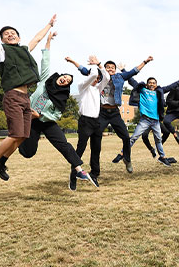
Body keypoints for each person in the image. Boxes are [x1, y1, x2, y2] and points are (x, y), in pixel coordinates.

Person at [18, 32, 90, 190]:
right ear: (60, 76)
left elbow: (56, 115)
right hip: (31, 121)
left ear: (66, 86)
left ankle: (78, 170)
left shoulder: (62, 98)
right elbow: (46, 61)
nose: (65, 79)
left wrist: (41, 115)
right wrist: (49, 41)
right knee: (28, 152)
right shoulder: (44, 81)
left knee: (64, 144)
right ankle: (17, 141)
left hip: (47, 122)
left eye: (68, 81)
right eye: (65, 76)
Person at [0, 14, 56, 183]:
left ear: (19, 37)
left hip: (25, 98)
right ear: (2, 40)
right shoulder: (2, 52)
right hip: (13, 96)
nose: (9, 34)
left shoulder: (24, 50)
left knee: (23, 136)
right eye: (5, 34)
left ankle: (1, 164)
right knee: (15, 134)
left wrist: (49, 24)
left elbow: (37, 39)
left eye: (12, 32)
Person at [113, 73, 179, 168]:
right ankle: (122, 154)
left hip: (156, 121)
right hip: (144, 120)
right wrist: (124, 70)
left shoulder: (159, 91)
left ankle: (162, 157)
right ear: (147, 84)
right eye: (150, 83)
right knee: (134, 137)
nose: (152, 84)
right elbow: (132, 80)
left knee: (158, 139)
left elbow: (171, 86)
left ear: (156, 84)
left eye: (153, 83)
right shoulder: (142, 90)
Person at [98, 56, 153, 173]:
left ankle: (127, 160)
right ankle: (95, 166)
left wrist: (145, 61)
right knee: (96, 137)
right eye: (108, 68)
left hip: (114, 113)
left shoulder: (120, 76)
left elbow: (134, 71)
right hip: (101, 112)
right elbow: (85, 73)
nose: (110, 69)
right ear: (104, 69)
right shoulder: (99, 77)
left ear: (115, 70)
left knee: (126, 138)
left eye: (112, 68)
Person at [65, 55, 110, 189]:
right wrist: (93, 66)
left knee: (96, 149)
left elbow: (106, 77)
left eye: (97, 79)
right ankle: (73, 176)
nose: (96, 80)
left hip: (96, 122)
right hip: (85, 122)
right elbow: (93, 75)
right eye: (94, 78)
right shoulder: (83, 86)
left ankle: (95, 174)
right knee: (80, 149)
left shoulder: (98, 88)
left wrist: (100, 64)